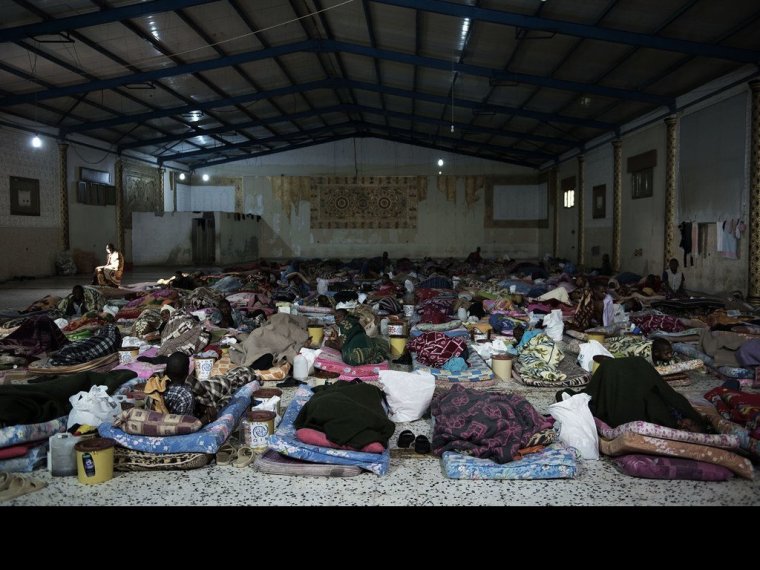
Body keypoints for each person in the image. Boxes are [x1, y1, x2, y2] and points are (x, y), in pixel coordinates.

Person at [144, 352, 195, 416]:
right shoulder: (186, 394)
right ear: (187, 372)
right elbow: (185, 423)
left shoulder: (154, 383)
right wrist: (206, 418)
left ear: (166, 370)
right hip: (172, 424)